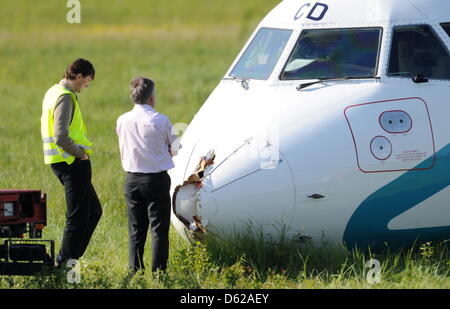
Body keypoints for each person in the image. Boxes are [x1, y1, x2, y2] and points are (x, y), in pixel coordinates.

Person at [40, 58, 102, 267]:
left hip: (61, 162)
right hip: (71, 163)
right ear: (77, 75)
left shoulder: (52, 91)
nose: (86, 85)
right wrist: (81, 155)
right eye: (86, 81)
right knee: (77, 218)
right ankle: (65, 263)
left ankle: (71, 258)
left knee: (93, 211)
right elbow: (60, 136)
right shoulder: (65, 97)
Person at [116, 77, 179, 273]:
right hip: (156, 179)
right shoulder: (161, 120)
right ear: (152, 97)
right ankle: (159, 271)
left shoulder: (122, 120)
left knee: (136, 228)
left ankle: (135, 269)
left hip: (132, 179)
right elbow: (176, 148)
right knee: (159, 229)